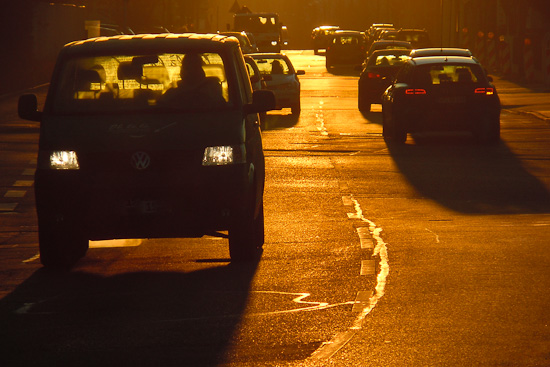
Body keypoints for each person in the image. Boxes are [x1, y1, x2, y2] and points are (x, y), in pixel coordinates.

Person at [160, 53, 225, 108]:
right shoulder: (213, 93)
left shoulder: (212, 92)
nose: (190, 71)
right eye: (187, 67)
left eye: (194, 67)